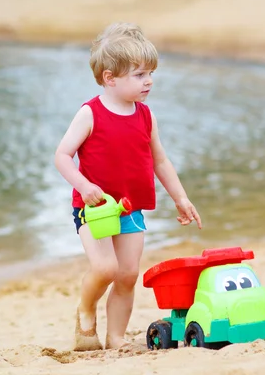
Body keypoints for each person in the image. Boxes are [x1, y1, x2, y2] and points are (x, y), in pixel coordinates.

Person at [54, 22, 202, 350]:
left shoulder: (146, 116)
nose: (148, 81)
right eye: (139, 75)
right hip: (93, 208)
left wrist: (180, 197)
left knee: (127, 274)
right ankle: (86, 308)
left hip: (130, 206)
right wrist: (84, 184)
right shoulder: (90, 114)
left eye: (150, 73)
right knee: (106, 268)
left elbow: (160, 161)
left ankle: (116, 337)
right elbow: (62, 156)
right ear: (110, 78)